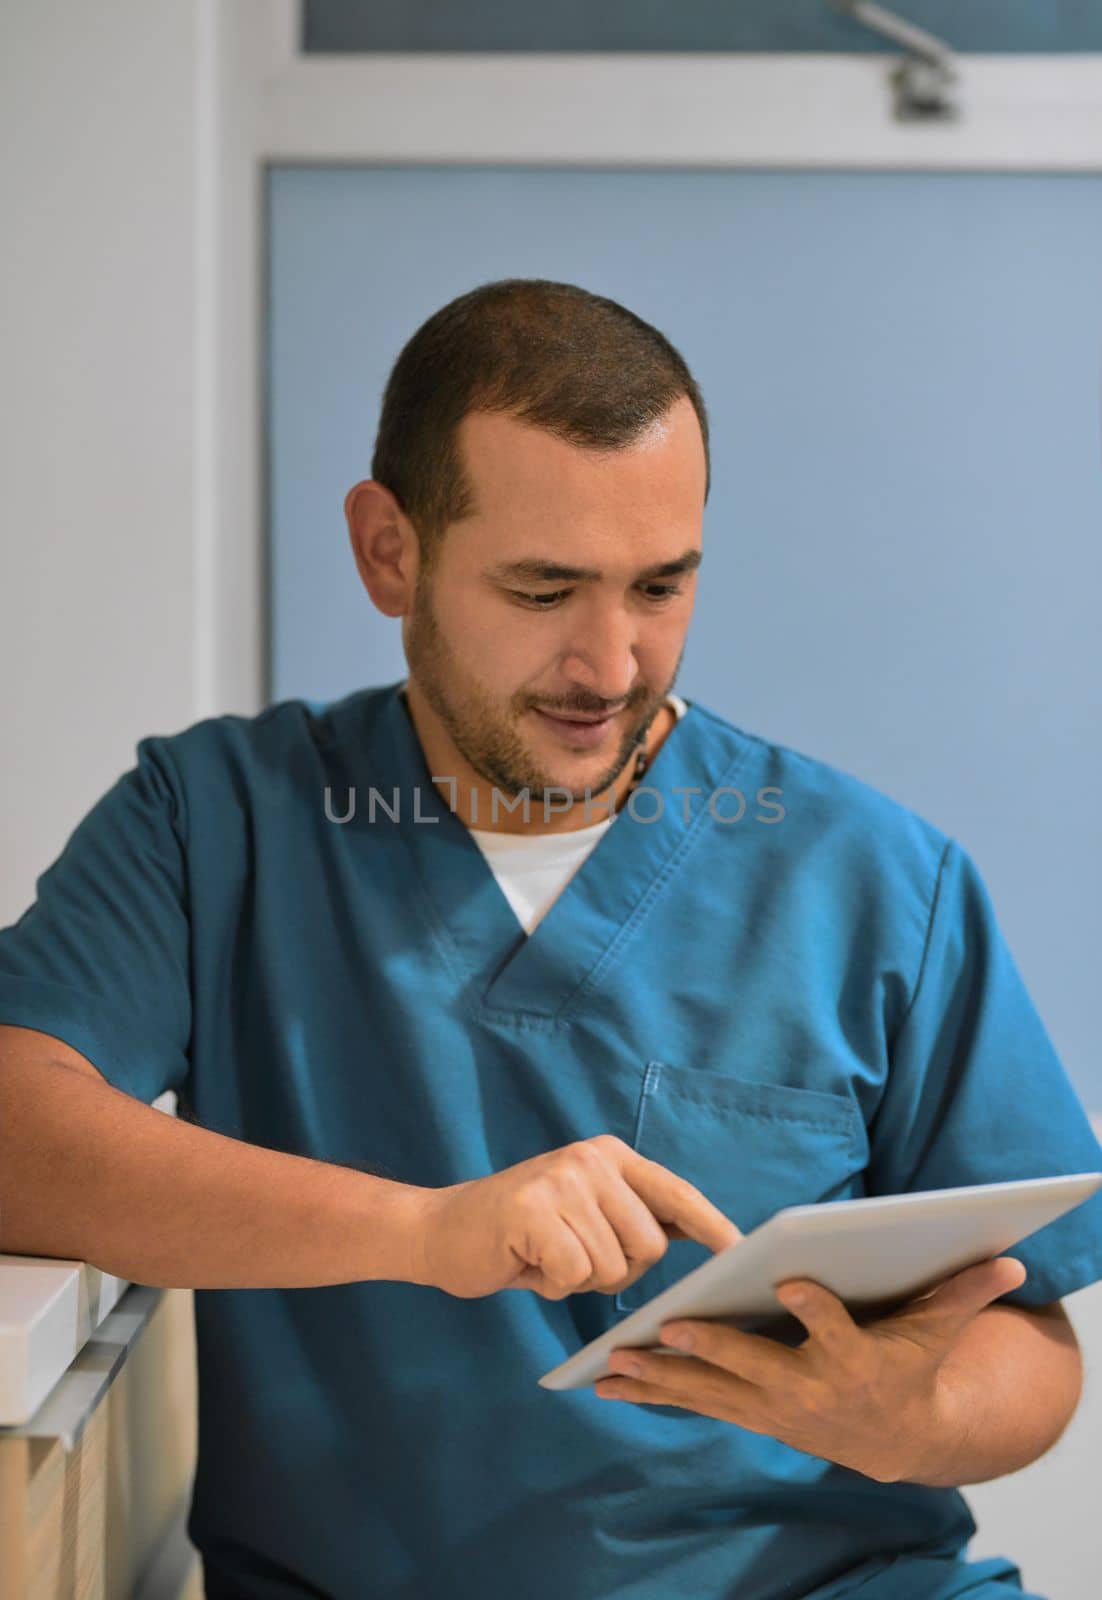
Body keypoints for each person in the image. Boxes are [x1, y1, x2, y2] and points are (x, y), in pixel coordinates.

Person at [1, 278, 1100, 1600]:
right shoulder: (218, 823)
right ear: (388, 552)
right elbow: (18, 1125)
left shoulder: (873, 878)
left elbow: (1027, 1330)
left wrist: (913, 1420)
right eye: (542, 590)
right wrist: (425, 1232)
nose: (612, 663)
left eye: (659, 586)